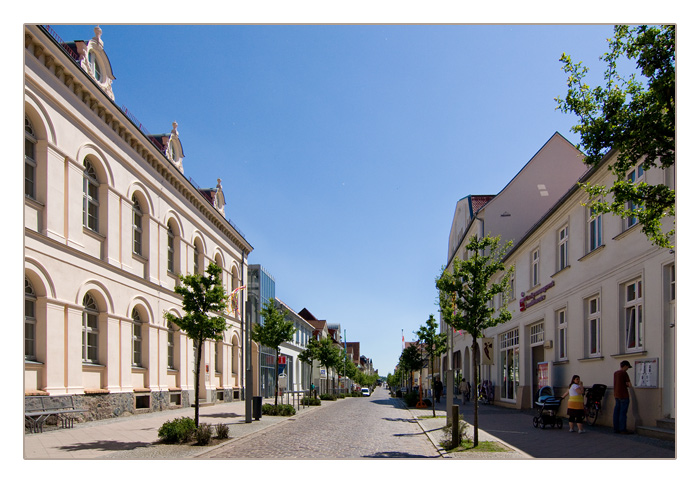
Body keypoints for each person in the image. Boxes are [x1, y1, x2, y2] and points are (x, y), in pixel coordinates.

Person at [613, 360, 633, 434]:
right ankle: (622, 429)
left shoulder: (616, 373)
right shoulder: (624, 373)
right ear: (625, 366)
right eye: (627, 367)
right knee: (623, 413)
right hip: (624, 395)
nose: (627, 368)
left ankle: (616, 428)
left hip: (616, 394)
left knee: (616, 412)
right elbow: (629, 384)